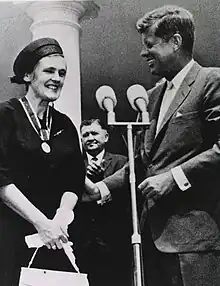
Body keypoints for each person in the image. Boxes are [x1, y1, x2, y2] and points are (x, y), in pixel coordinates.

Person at [84, 5, 220, 286]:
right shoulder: (150, 96)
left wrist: (174, 178)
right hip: (149, 241)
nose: (144, 53)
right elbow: (141, 160)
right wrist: (101, 188)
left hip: (195, 243)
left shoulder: (210, 81)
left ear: (176, 42)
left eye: (150, 45)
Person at [0, 37, 85, 286]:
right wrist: (40, 223)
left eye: (62, 73)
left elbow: (74, 179)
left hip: (57, 235)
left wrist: (61, 216)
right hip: (12, 233)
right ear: (28, 75)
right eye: (49, 71)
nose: (57, 78)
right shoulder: (6, 116)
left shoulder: (65, 125)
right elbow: (1, 178)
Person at [72, 118, 132, 286]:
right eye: (85, 135)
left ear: (106, 137)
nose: (90, 138)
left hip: (115, 240)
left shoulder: (123, 162)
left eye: (94, 133)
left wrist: (102, 180)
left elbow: (126, 196)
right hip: (83, 241)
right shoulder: (74, 165)